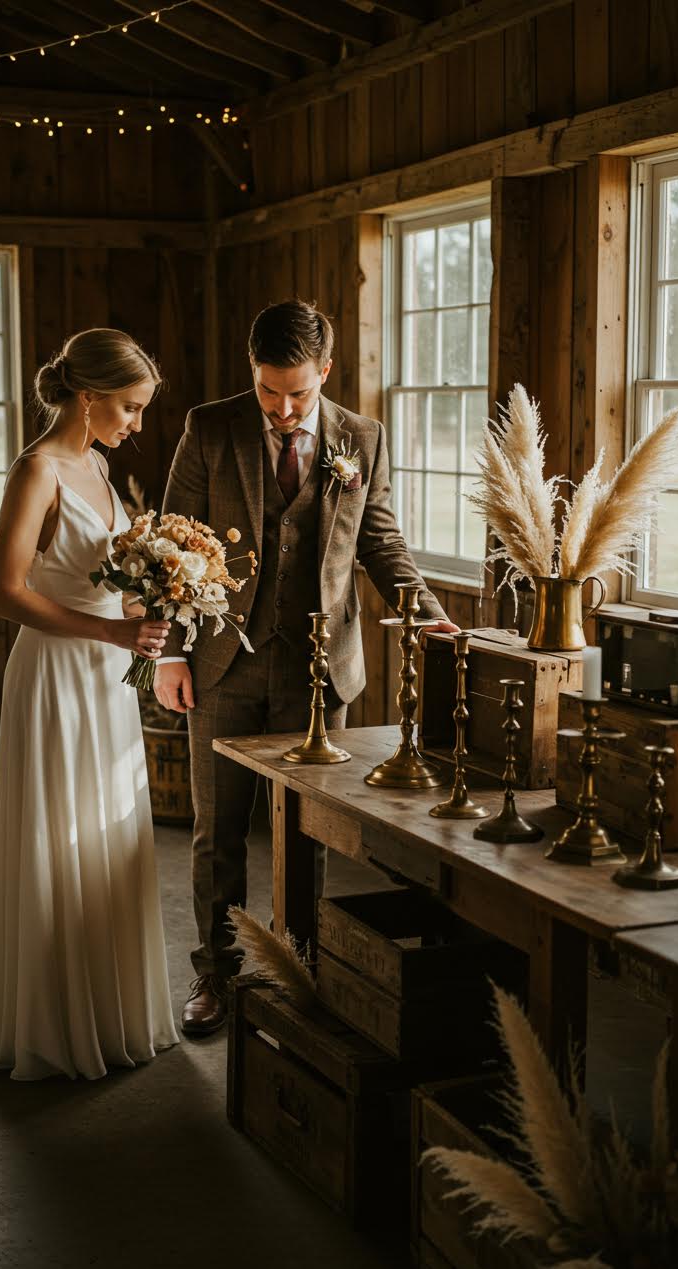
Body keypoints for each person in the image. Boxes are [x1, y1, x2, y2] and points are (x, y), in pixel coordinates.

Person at [155, 300, 457, 1037]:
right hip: (222, 660)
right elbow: (168, 546)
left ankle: (302, 968)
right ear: (251, 374)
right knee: (217, 832)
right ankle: (217, 973)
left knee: (308, 833)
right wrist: (168, 652)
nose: (285, 408)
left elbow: (378, 538)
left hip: (320, 672)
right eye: (268, 391)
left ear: (326, 371)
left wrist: (429, 612)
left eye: (299, 391)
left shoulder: (364, 437)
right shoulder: (210, 426)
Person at [0, 328, 179, 1081]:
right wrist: (110, 628)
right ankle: (52, 1021)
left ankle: (111, 1009)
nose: (134, 423)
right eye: (128, 407)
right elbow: (3, 591)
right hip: (58, 675)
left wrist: (154, 598)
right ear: (87, 397)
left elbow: (105, 570)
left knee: (107, 836)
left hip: (108, 674)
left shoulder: (96, 462)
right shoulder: (39, 469)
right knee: (59, 834)